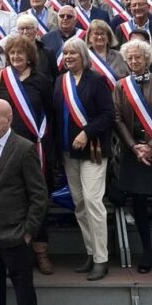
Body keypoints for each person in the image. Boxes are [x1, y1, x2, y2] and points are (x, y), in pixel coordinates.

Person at [0, 99, 48, 305]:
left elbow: (39, 195)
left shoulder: (25, 148)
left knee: (23, 289)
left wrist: (28, 231)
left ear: (9, 119)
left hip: (15, 235)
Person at [54, 38, 113, 280]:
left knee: (92, 201)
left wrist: (87, 132)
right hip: (69, 153)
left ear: (83, 56)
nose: (68, 57)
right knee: (79, 203)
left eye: (73, 53)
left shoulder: (96, 80)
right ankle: (90, 252)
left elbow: (109, 115)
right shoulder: (60, 81)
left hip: (93, 151)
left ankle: (102, 258)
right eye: (65, 53)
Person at [113, 39, 152, 273]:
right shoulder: (121, 85)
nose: (134, 61)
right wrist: (134, 147)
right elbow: (117, 119)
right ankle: (147, 253)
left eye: (138, 57)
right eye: (130, 58)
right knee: (138, 203)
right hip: (133, 152)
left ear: (147, 59)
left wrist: (151, 146)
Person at [0, 36, 54, 274]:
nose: (16, 57)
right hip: (10, 149)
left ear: (30, 56)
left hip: (36, 149)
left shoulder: (42, 80)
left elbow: (51, 115)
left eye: (21, 53)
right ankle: (17, 255)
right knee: (13, 201)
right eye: (12, 53)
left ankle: (41, 253)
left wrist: (49, 150)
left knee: (38, 200)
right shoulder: (2, 79)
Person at [86, 19, 129, 91]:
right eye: (96, 34)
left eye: (102, 33)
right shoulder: (84, 56)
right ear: (89, 37)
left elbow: (128, 78)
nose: (99, 37)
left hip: (117, 99)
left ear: (108, 37)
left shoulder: (119, 56)